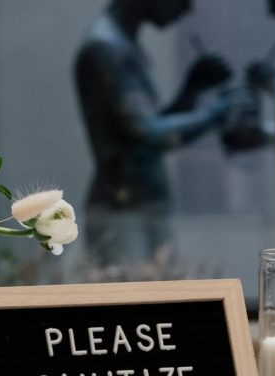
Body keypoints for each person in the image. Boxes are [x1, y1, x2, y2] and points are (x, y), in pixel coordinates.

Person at [74, 0, 234, 266]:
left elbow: (144, 129)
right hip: (123, 208)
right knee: (133, 299)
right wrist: (214, 114)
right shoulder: (105, 48)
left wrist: (191, 92)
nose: (186, 9)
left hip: (139, 204)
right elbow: (146, 133)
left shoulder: (119, 43)